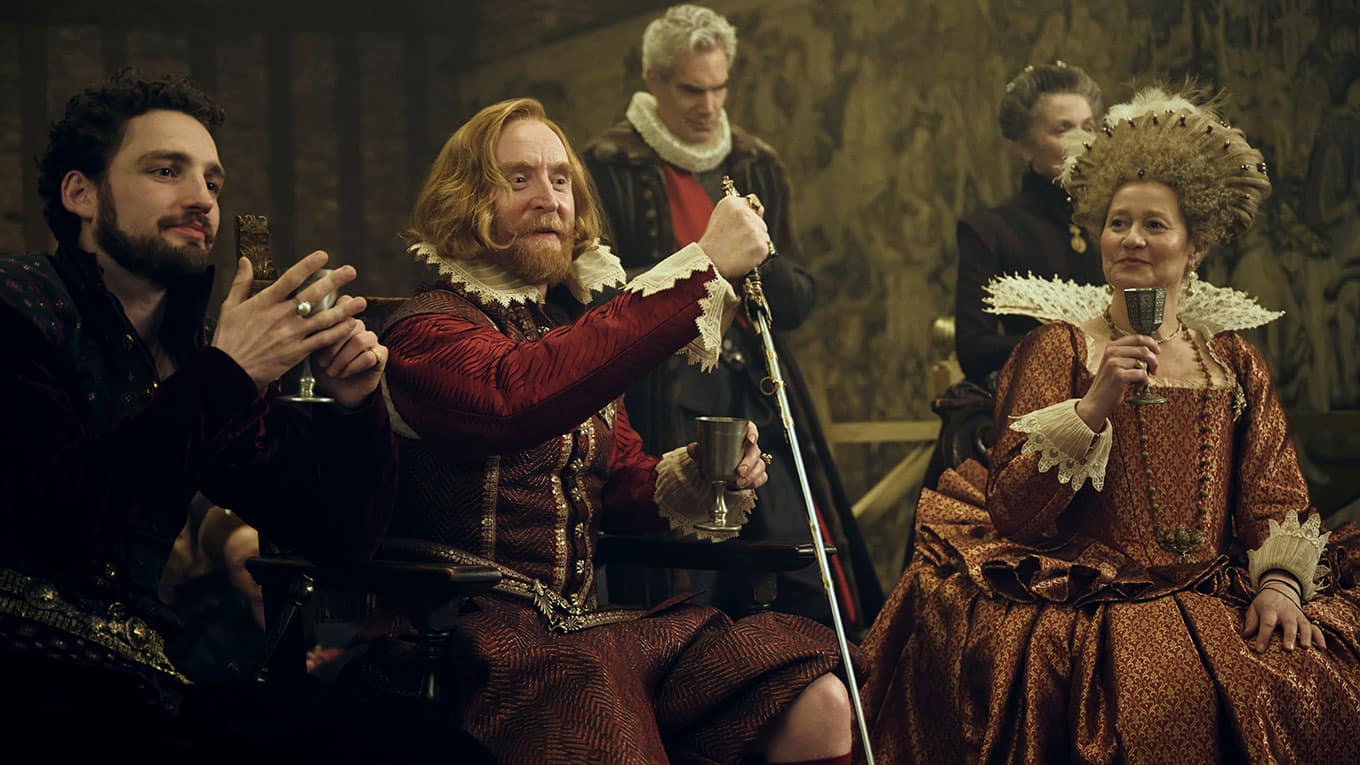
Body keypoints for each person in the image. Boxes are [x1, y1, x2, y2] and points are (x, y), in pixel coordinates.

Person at [859, 87, 1360, 763]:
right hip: (1090, 593)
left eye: (1155, 224)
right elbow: (1014, 511)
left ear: (1195, 245)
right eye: (1118, 222)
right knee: (1154, 689)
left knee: (1313, 679)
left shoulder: (1232, 360)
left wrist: (1279, 585)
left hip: (1214, 588)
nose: (1132, 238)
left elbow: (1274, 494)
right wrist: (1093, 405)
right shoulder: (1058, 349)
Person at [368, 96, 858, 764]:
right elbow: (516, 393)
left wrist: (698, 471)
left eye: (561, 180)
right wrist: (703, 262)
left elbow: (621, 481)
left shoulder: (568, 332)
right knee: (599, 710)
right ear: (467, 202)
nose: (549, 199)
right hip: (471, 644)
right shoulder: (428, 330)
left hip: (585, 635)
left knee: (816, 697)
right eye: (519, 179)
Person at [0, 71, 399, 748]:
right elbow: (57, 518)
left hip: (146, 683)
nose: (202, 200)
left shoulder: (196, 352)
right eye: (166, 171)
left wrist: (355, 406)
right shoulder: (17, 308)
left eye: (212, 182)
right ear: (81, 194)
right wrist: (229, 371)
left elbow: (339, 539)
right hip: (26, 677)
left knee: (414, 741)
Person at [582, 2, 879, 628]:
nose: (710, 106)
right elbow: (592, 294)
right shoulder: (605, 164)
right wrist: (704, 263)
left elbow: (796, 298)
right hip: (658, 391)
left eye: (719, 88)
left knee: (795, 564)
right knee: (690, 580)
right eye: (692, 90)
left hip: (756, 385)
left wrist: (756, 258)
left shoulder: (754, 162)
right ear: (654, 79)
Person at [954, 61, 1106, 385]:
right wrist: (1069, 343)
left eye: (1089, 127)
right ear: (1024, 146)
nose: (1082, 141)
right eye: (1062, 130)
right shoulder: (991, 231)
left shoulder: (1115, 225)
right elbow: (973, 350)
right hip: (1036, 395)